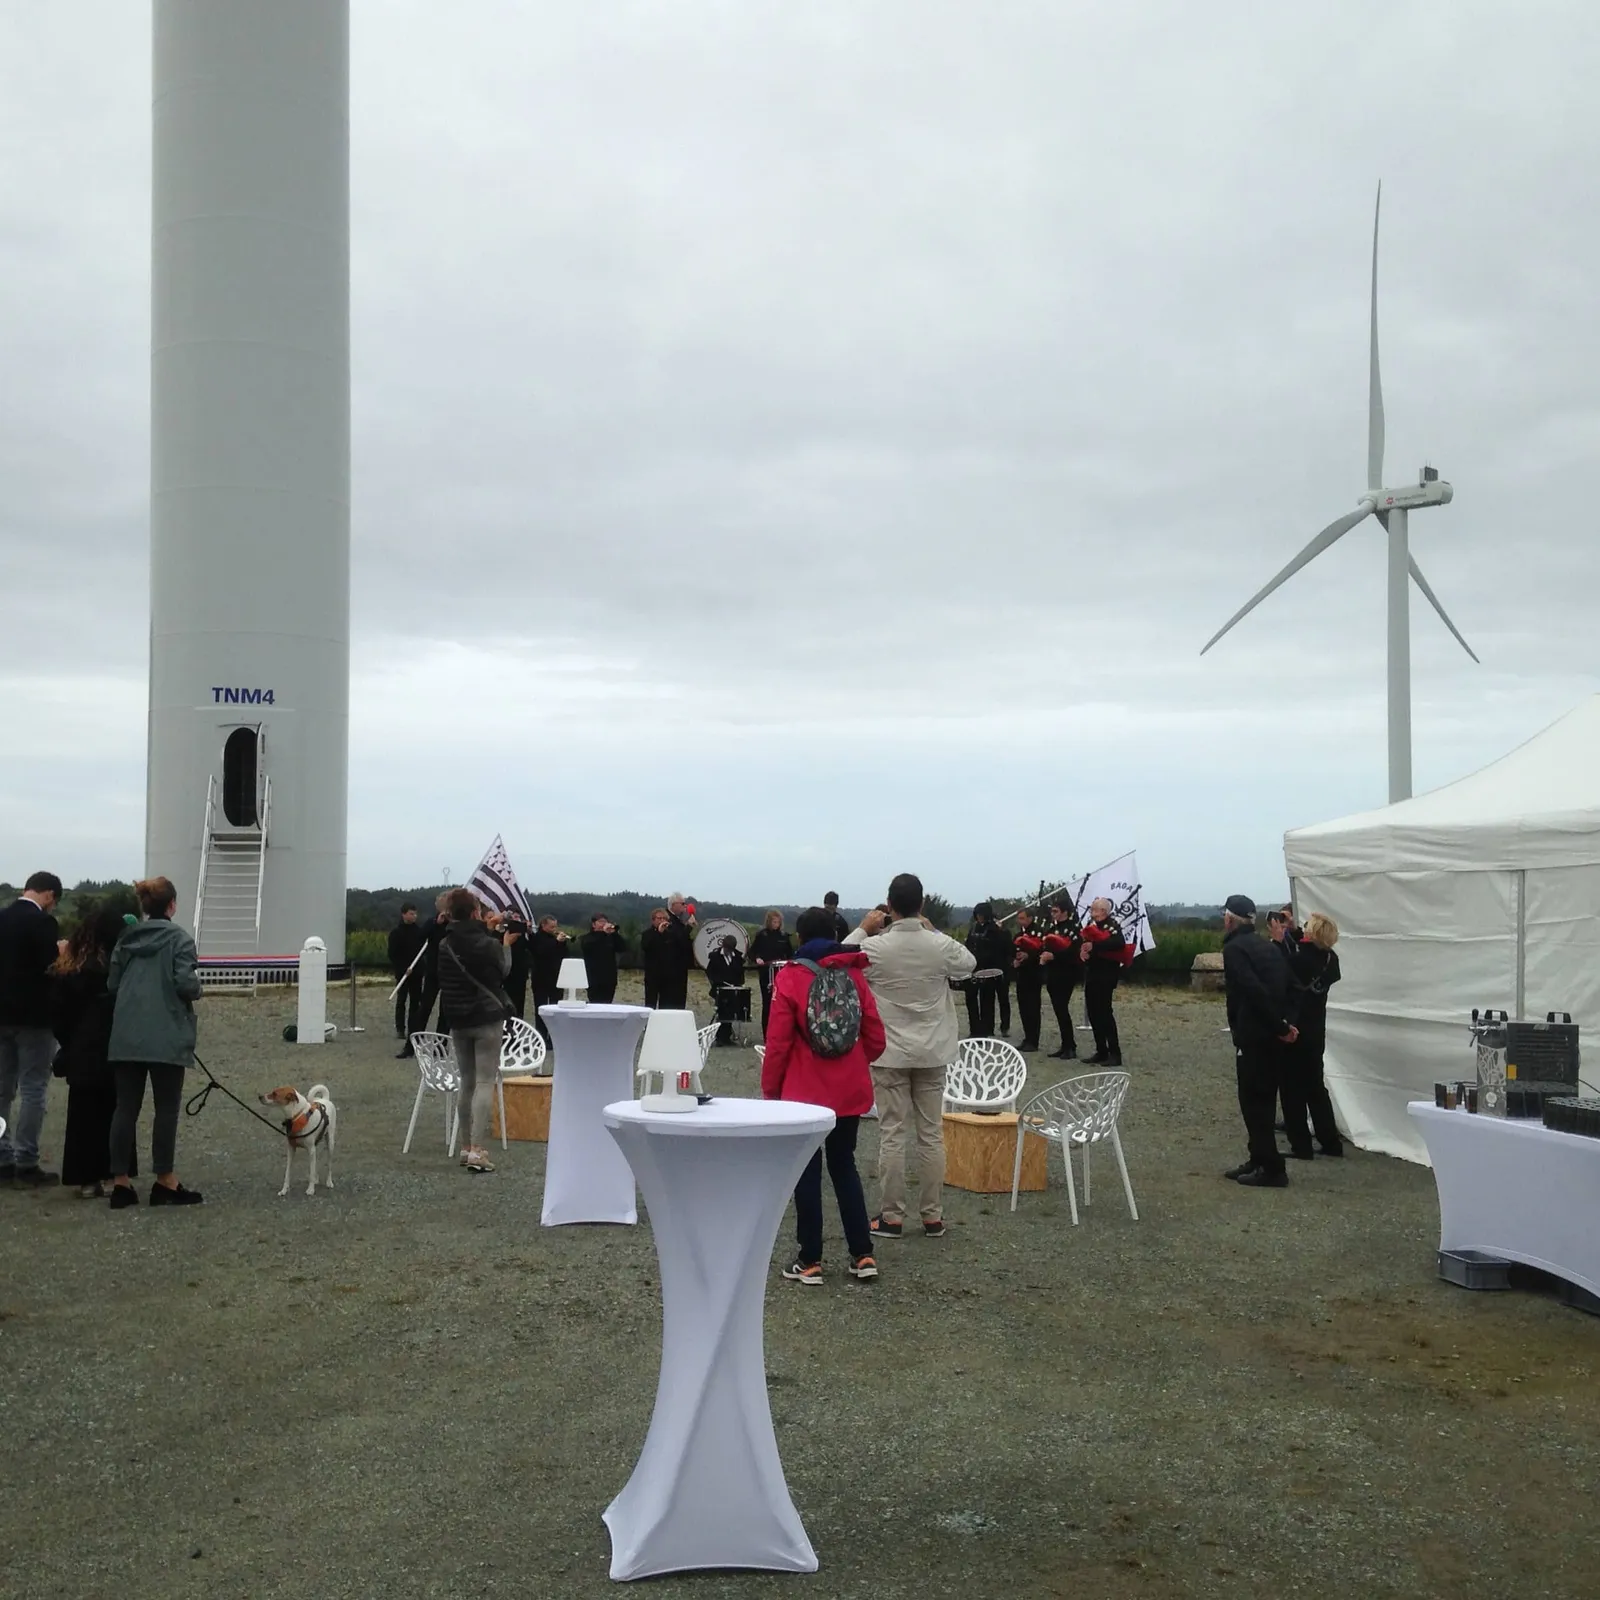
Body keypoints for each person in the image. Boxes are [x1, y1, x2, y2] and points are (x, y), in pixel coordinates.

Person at [844, 872, 976, 1239]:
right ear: (922, 904)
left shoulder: (875, 947)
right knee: (931, 1133)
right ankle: (933, 1216)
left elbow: (836, 958)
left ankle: (892, 1216)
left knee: (893, 1133)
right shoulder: (938, 945)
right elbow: (969, 963)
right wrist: (933, 931)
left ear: (889, 906)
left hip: (890, 1051)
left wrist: (863, 928)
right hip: (933, 1050)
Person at [763, 906, 887, 1285]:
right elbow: (876, 1039)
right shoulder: (854, 973)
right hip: (848, 1091)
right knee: (844, 1165)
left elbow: (778, 1043)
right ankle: (862, 1254)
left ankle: (810, 1259)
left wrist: (772, 1091)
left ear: (800, 938)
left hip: (803, 1092)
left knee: (806, 1172)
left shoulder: (791, 977)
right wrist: (851, 1062)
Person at [107, 877, 205, 1208]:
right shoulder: (180, 939)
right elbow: (184, 982)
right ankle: (165, 1179)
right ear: (172, 905)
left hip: (126, 1034)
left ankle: (120, 1182)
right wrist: (197, 988)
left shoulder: (126, 939)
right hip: (166, 1033)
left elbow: (112, 983)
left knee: (125, 1108)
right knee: (165, 1109)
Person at [51, 905, 135, 1197]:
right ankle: (116, 1174)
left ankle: (87, 1179)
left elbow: (58, 1016)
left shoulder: (70, 968)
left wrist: (68, 1042)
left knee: (83, 1116)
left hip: (81, 1049)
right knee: (116, 1111)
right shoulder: (120, 968)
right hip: (117, 1046)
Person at [1220, 894, 1299, 1189]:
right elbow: (1291, 986)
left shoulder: (1235, 950)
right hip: (1270, 1032)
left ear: (1230, 920)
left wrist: (1279, 1026)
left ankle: (1272, 1167)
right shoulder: (1267, 947)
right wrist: (1289, 1023)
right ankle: (1258, 1157)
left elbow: (1252, 990)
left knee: (1254, 1102)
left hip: (1255, 1034)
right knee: (1262, 1098)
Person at [436, 888, 515, 1174]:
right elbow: (503, 971)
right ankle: (479, 1151)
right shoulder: (486, 943)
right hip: (486, 1017)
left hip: (458, 1018)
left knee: (466, 1081)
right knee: (484, 1081)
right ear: (474, 912)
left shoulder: (445, 944)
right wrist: (504, 944)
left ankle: (465, 1145)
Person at [0, 870, 65, 1186]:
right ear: (50, 895)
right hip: (34, 1018)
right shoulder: (42, 924)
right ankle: (26, 1161)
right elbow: (49, 967)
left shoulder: (2, 917)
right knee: (32, 1088)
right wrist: (62, 951)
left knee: (1, 1090)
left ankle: (1, 1156)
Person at [1280, 912, 1344, 1158]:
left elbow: (1281, 968)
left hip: (1295, 1029)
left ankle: (1301, 1145)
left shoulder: (1298, 960)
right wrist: (1295, 932)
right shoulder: (1331, 960)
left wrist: (1279, 939)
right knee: (1315, 1087)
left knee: (1291, 1088)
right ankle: (1330, 1141)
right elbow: (1310, 950)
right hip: (1317, 1029)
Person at [1079, 897, 1126, 1065]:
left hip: (1106, 975)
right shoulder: (1093, 928)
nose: (1091, 913)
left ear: (1103, 911)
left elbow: (1119, 943)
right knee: (1093, 1013)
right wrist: (1084, 952)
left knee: (1105, 1013)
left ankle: (1115, 1053)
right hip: (1093, 973)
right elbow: (1087, 945)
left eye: (1094, 910)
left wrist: (1096, 947)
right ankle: (1101, 1050)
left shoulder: (1112, 925)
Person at [1039, 896, 1081, 1060]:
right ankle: (1065, 1045)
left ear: (1065, 912)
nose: (1053, 914)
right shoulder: (1051, 929)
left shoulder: (1073, 930)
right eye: (1052, 911)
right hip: (1052, 974)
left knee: (1062, 1009)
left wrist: (1054, 956)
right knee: (1058, 1009)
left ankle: (1070, 1046)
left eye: (1056, 911)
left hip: (1067, 974)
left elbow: (1074, 953)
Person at [963, 903, 1011, 1038]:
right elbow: (969, 945)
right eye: (977, 915)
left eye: (982, 915)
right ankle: (982, 1028)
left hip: (997, 968)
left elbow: (1004, 948)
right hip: (979, 968)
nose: (979, 918)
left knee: (999, 999)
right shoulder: (974, 928)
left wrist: (1000, 932)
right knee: (982, 999)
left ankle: (1002, 1025)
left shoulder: (996, 929)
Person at [388, 902, 428, 1056]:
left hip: (417, 972)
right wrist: (404, 968)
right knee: (401, 1000)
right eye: (411, 913)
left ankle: (413, 1027)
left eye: (415, 914)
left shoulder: (419, 932)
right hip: (403, 973)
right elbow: (392, 954)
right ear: (403, 914)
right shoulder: (396, 933)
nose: (414, 916)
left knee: (415, 1002)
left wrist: (418, 968)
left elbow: (423, 952)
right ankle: (400, 1028)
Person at [749, 910, 794, 1036]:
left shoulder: (784, 936)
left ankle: (780, 1032)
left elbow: (790, 954)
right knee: (767, 1003)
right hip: (766, 973)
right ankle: (766, 1034)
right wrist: (757, 958)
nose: (776, 924)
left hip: (780, 973)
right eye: (774, 922)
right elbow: (752, 952)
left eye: (778, 922)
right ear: (769, 922)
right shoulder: (761, 935)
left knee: (781, 1003)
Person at [1011, 907, 1045, 1052]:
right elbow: (1013, 951)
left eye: (1023, 918)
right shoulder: (1018, 935)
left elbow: (1041, 951)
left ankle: (1034, 1039)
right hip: (1022, 975)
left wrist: (1029, 956)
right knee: (1023, 1007)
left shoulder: (1038, 933)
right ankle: (1027, 1037)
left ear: (1030, 918)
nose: (1020, 921)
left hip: (1034, 975)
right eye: (1019, 919)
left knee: (1033, 1008)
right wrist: (1014, 961)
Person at [528, 915, 567, 1037]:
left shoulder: (554, 938)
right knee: (541, 1008)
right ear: (543, 926)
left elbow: (564, 954)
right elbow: (540, 951)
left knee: (556, 1007)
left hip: (556, 977)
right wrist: (556, 942)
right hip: (541, 978)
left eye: (555, 926)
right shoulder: (536, 937)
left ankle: (553, 1036)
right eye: (551, 927)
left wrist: (562, 943)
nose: (554, 929)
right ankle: (541, 1036)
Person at [655, 895, 695, 1010]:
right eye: (682, 904)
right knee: (670, 1003)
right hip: (670, 970)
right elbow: (675, 939)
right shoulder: (667, 919)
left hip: (679, 968)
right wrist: (688, 927)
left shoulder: (677, 920)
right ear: (673, 905)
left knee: (679, 1002)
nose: (685, 906)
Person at [705, 934, 746, 1046]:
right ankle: (719, 1037)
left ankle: (726, 1037)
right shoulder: (715, 956)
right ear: (723, 945)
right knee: (722, 1011)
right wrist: (717, 982)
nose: (728, 950)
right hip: (720, 989)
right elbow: (710, 972)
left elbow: (741, 974)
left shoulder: (738, 957)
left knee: (731, 1012)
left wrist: (738, 984)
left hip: (733, 989)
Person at [580, 913, 627, 1005]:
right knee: (595, 1004)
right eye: (601, 922)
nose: (604, 924)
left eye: (605, 922)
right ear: (593, 925)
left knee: (607, 1004)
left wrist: (615, 934)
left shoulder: (610, 937)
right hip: (593, 978)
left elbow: (623, 948)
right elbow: (588, 946)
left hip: (609, 978)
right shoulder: (587, 938)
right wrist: (603, 934)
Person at [639, 908, 671, 1009]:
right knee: (650, 1003)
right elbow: (646, 947)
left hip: (666, 975)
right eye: (659, 918)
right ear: (653, 920)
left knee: (665, 1004)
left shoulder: (670, 934)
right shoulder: (647, 934)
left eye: (664, 918)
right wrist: (658, 933)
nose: (662, 920)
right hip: (652, 974)